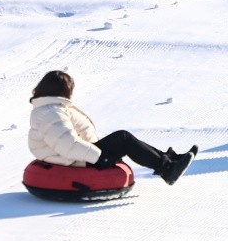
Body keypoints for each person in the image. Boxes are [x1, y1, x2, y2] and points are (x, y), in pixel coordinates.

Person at [28, 70, 196, 185]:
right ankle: (167, 168)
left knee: (122, 138)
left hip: (77, 154)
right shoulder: (51, 113)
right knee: (122, 138)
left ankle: (169, 161)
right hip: (76, 159)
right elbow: (68, 145)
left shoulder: (51, 109)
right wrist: (99, 157)